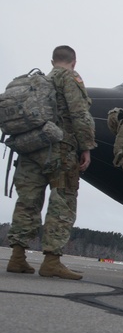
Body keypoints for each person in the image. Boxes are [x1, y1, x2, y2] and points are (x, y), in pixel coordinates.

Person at [6, 45, 96, 279]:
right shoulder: (70, 78)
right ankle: (51, 261)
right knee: (62, 202)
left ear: (52, 61)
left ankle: (17, 257)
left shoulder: (39, 82)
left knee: (27, 201)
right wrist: (86, 147)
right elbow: (80, 114)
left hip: (32, 146)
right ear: (74, 62)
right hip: (60, 149)